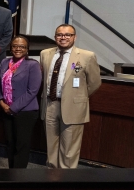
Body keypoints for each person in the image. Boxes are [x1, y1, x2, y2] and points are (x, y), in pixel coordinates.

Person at [40, 24, 101, 169]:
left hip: (73, 107)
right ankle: (52, 176)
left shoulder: (87, 56)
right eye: (60, 34)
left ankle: (66, 179)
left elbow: (94, 83)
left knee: (69, 149)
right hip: (50, 104)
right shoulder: (45, 54)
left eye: (68, 35)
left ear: (74, 37)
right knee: (51, 144)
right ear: (55, 37)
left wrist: (77, 97)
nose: (63, 38)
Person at [0, 35, 42, 169]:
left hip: (25, 112)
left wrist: (13, 107)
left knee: (21, 144)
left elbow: (32, 90)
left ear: (27, 49)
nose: (18, 49)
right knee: (10, 143)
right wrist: (2, 103)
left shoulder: (33, 65)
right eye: (15, 46)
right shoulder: (5, 62)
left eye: (22, 46)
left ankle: (19, 176)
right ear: (11, 48)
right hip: (5, 109)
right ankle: (11, 172)